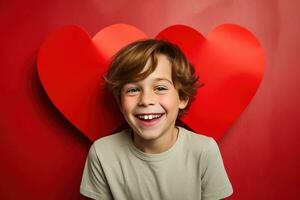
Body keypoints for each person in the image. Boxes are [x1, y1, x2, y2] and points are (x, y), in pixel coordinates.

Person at [80, 39, 233, 200]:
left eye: (160, 88)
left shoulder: (203, 151)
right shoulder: (102, 153)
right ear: (120, 102)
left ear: (182, 98)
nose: (146, 100)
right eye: (133, 89)